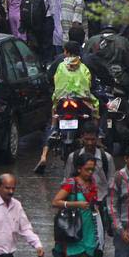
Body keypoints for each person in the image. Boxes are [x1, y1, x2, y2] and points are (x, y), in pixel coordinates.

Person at [34, 42, 98, 174]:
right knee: (95, 110)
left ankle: (44, 155)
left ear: (67, 52)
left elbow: (54, 80)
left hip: (61, 100)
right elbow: (88, 83)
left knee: (53, 119)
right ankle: (99, 136)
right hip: (82, 101)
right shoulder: (83, 67)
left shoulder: (61, 65)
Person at [64, 124, 114, 257]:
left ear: (98, 138)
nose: (90, 143)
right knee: (79, 243)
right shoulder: (73, 157)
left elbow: (111, 184)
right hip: (79, 208)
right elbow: (66, 182)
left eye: (93, 139)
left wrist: (110, 209)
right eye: (87, 139)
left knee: (98, 244)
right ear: (82, 138)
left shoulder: (106, 158)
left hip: (99, 206)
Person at [46, 154, 101, 257]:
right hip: (74, 233)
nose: (90, 172)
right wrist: (75, 204)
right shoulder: (71, 183)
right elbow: (55, 202)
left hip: (89, 231)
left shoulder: (92, 183)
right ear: (78, 169)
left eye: (92, 169)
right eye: (87, 169)